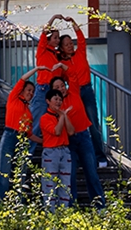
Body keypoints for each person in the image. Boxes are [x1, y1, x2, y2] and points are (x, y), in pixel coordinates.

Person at [0, 66, 46, 205]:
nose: (31, 93)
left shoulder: (28, 112)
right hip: (10, 135)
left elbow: (30, 135)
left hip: (21, 139)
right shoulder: (14, 98)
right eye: (28, 90)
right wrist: (37, 69)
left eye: (33, 92)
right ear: (22, 90)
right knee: (3, 171)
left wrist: (45, 141)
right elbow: (23, 79)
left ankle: (18, 204)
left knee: (20, 172)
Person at [58, 18, 107, 167]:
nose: (70, 46)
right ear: (61, 48)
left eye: (70, 43)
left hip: (87, 89)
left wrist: (72, 21)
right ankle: (77, 157)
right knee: (75, 124)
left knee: (93, 122)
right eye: (66, 45)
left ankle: (100, 157)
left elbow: (80, 37)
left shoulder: (80, 53)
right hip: (74, 92)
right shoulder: (62, 63)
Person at [50, 76, 105, 207]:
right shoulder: (55, 105)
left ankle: (100, 206)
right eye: (56, 88)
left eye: (62, 85)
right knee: (70, 175)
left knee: (92, 172)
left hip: (84, 136)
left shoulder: (73, 91)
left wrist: (61, 64)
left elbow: (72, 74)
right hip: (68, 141)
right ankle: (70, 206)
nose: (61, 89)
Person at [30, 15, 66, 149]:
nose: (57, 40)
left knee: (54, 123)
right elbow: (44, 32)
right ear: (49, 39)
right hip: (43, 90)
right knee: (35, 126)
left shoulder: (56, 56)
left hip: (54, 92)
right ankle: (22, 163)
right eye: (55, 38)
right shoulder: (42, 50)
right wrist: (54, 18)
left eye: (58, 37)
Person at [40, 87, 74, 210]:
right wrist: (62, 116)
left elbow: (71, 131)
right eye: (55, 99)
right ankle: (50, 214)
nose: (58, 102)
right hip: (51, 152)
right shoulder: (45, 118)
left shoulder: (62, 115)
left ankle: (63, 212)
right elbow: (57, 131)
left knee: (65, 184)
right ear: (48, 101)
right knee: (50, 184)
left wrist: (64, 116)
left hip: (65, 151)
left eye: (60, 99)